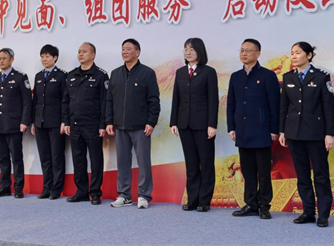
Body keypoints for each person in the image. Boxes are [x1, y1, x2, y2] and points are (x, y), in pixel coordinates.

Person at [279, 42, 334, 228]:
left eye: (298, 53)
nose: (294, 56)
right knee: (302, 175)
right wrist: (282, 131)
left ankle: (324, 215)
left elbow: (328, 108)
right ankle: (308, 212)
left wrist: (329, 134)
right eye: (292, 53)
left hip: (316, 134)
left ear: (309, 55)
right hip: (294, 134)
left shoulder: (321, 77)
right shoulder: (288, 77)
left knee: (321, 175)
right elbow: (284, 107)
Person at [227, 39, 280, 219]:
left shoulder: (267, 76)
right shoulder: (235, 76)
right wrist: (231, 127)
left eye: (248, 50)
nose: (244, 53)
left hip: (262, 130)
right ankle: (250, 204)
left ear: (258, 53)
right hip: (242, 130)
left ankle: (264, 205)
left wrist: (274, 129)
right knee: (247, 171)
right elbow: (231, 104)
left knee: (263, 172)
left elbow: (274, 105)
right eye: (241, 50)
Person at [106, 38, 161, 209]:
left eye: (129, 49)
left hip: (141, 127)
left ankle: (144, 195)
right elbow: (109, 100)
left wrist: (151, 122)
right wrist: (109, 121)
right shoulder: (115, 73)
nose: (125, 52)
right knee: (122, 162)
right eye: (123, 49)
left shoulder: (147, 73)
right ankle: (124, 195)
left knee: (143, 162)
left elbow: (154, 100)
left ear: (137, 52)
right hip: (120, 126)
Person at [170, 38, 218, 212]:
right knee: (191, 164)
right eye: (186, 49)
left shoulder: (209, 72)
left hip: (203, 125)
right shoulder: (180, 72)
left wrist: (212, 124)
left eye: (192, 49)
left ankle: (204, 201)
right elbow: (176, 98)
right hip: (184, 124)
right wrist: (173, 122)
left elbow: (213, 100)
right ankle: (193, 199)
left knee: (205, 163)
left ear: (200, 51)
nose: (188, 52)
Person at [62, 42, 108, 205]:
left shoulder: (101, 75)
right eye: (79, 51)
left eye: (84, 52)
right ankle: (81, 192)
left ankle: (95, 192)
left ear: (93, 55)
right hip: (75, 125)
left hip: (93, 125)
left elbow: (104, 102)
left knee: (96, 160)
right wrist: (66, 121)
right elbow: (66, 101)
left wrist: (102, 124)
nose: (80, 54)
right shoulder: (71, 75)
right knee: (78, 159)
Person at [0, 48, 32, 198]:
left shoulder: (20, 78)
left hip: (14, 124)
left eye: (4, 58)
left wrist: (25, 121)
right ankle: (4, 186)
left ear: (12, 60)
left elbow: (27, 102)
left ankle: (18, 187)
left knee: (16, 158)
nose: (1, 61)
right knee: (3, 158)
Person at [31, 44, 67, 200]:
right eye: (42, 56)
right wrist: (33, 121)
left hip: (56, 123)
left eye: (47, 56)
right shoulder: (38, 76)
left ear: (55, 58)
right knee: (44, 157)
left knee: (56, 157)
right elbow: (35, 101)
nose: (44, 59)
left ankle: (56, 189)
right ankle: (47, 187)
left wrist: (64, 121)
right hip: (40, 122)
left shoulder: (62, 76)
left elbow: (65, 100)